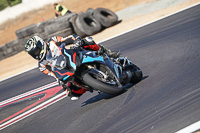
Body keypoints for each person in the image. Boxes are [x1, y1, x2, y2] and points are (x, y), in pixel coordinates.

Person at [25, 35, 120, 100]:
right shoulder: (41, 65)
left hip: (72, 56)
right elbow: (53, 74)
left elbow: (69, 38)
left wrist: (76, 40)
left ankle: (106, 51)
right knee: (70, 93)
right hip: (65, 70)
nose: (36, 54)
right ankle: (91, 85)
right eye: (33, 54)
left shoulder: (52, 41)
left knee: (87, 41)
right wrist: (61, 81)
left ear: (40, 44)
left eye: (36, 51)